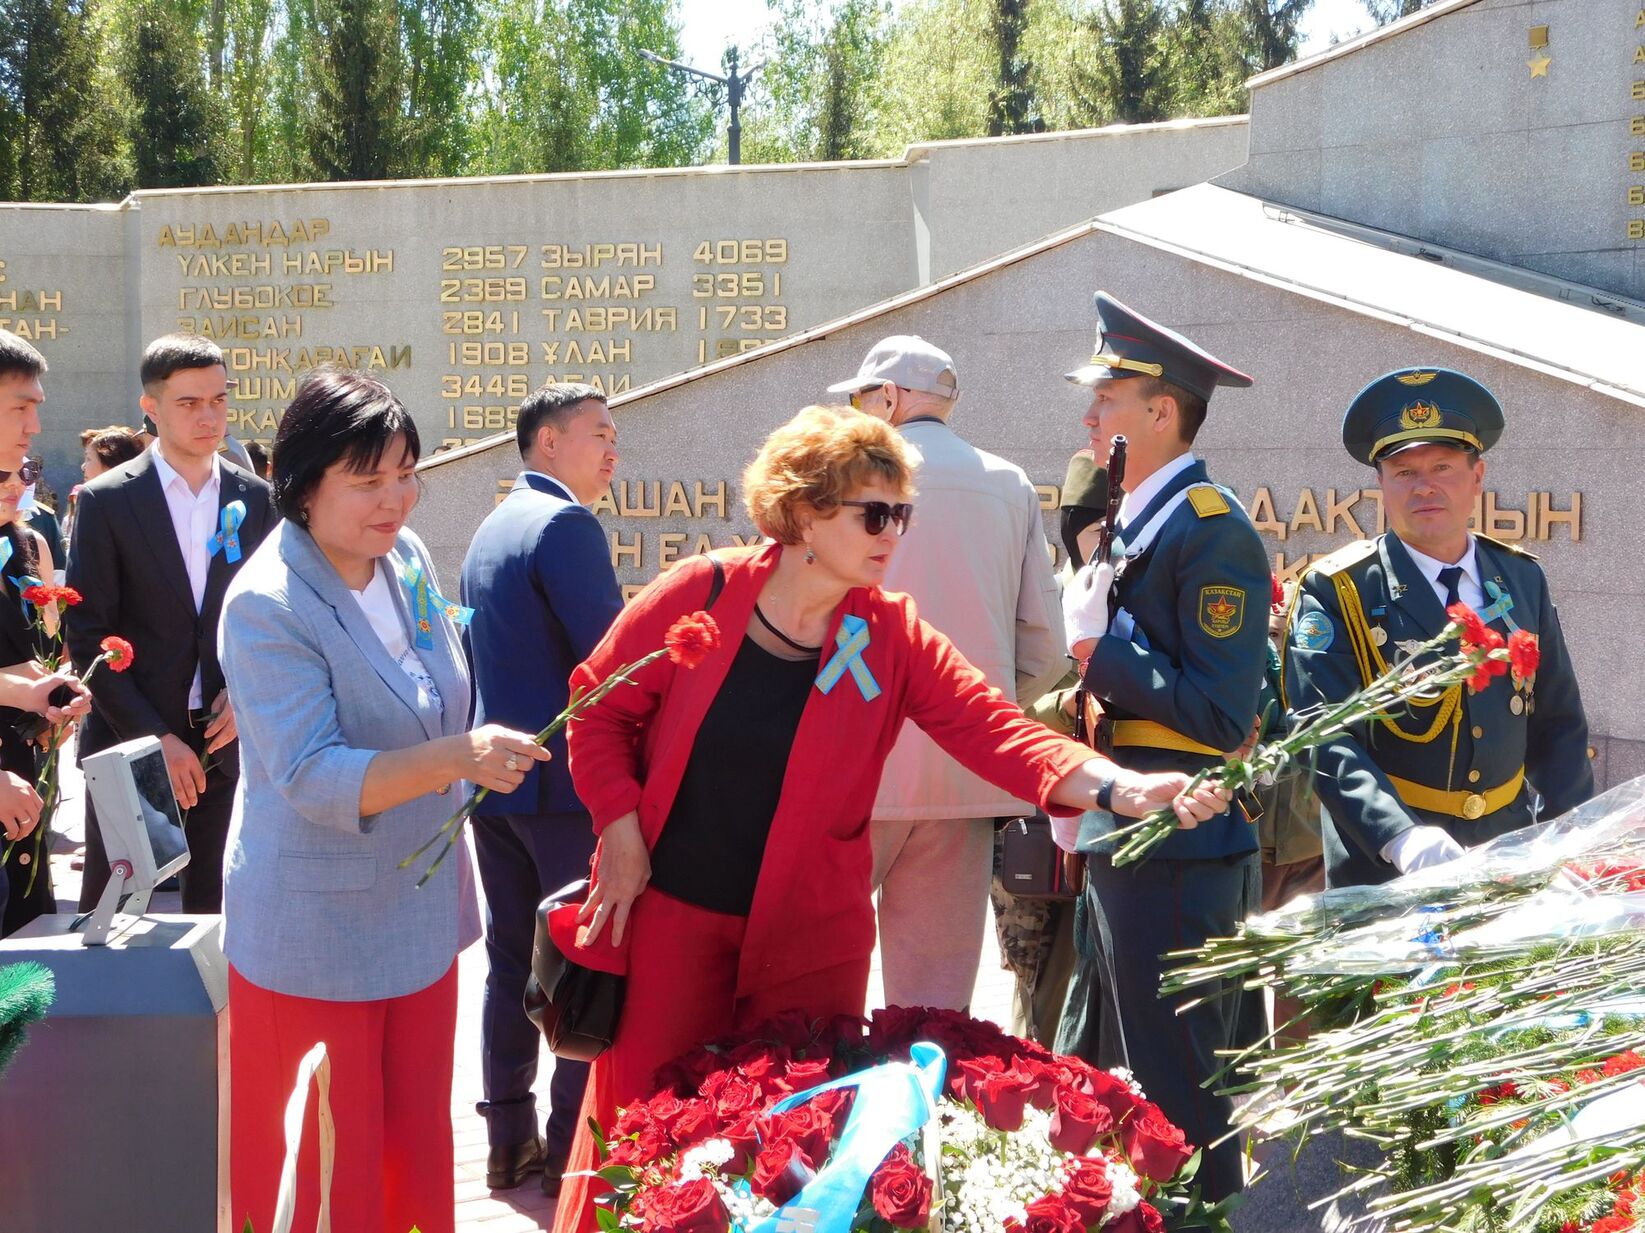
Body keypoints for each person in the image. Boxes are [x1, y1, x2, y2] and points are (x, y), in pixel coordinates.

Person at [553, 405, 1230, 1233]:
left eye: (900, 514)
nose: (892, 534)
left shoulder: (890, 633)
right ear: (803, 512)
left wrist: (1117, 787)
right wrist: (618, 827)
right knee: (650, 1150)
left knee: (786, 1165)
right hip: (670, 923)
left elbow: (995, 728)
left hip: (805, 948)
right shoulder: (703, 592)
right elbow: (596, 708)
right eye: (873, 514)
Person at [219, 369, 550, 1233]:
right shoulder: (267, 604)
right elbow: (312, 773)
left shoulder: (401, 555)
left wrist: (467, 743)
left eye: (406, 472)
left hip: (413, 915)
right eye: (367, 480)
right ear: (301, 484)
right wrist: (457, 756)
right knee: (325, 1173)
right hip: (314, 934)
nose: (395, 498)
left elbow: (436, 680)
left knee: (409, 1156)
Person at [1057, 291, 1270, 1202]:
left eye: (1107, 396)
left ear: (1161, 411)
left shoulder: (1210, 529)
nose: (1089, 413)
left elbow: (1222, 715)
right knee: (1109, 1063)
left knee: (1179, 1081)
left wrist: (1100, 651)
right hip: (1127, 830)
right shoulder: (1134, 522)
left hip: (1179, 842)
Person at [825, 335, 1065, 1011]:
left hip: (850, 761)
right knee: (932, 1008)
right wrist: (971, 712)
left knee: (808, 983)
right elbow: (1045, 646)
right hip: (963, 770)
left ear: (891, 398)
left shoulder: (844, 479)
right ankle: (917, 1119)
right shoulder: (1007, 482)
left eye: (861, 398)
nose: (854, 413)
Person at [1282, 367, 1592, 888]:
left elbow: (1557, 721)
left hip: (1507, 855)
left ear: (1477, 476)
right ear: (1380, 484)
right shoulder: (1340, 589)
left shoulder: (1521, 577)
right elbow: (1321, 734)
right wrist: (1400, 835)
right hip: (1387, 866)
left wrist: (1572, 837)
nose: (1424, 487)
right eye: (1403, 472)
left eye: (1443, 467)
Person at [459, 383, 623, 1194]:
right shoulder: (564, 524)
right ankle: (567, 1147)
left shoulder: (493, 525)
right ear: (548, 441)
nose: (612, 449)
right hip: (563, 789)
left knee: (507, 963)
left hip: (499, 789)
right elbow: (612, 659)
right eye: (599, 433)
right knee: (578, 962)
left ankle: (505, 1136)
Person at [68, 334, 275, 913]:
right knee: (119, 908)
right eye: (189, 403)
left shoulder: (253, 497)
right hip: (130, 738)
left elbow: (267, 619)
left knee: (220, 911)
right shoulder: (108, 500)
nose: (209, 416)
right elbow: (88, 637)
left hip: (225, 739)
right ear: (151, 408)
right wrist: (154, 738)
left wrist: (245, 690)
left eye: (218, 399)